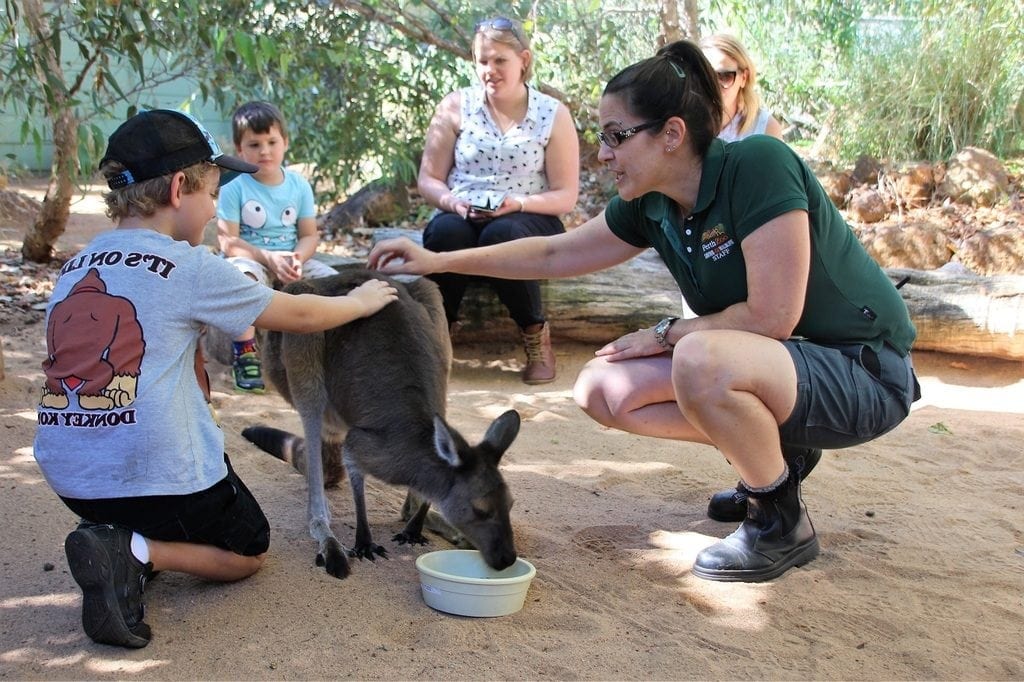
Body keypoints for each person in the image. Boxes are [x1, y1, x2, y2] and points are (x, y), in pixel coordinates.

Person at [369, 40, 919, 583]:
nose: (603, 154)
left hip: (864, 373)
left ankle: (779, 519)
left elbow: (773, 317)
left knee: (699, 358)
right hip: (786, 371)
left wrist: (667, 333)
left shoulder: (758, 163)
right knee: (602, 388)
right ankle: (775, 456)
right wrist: (438, 258)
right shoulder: (650, 202)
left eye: (616, 136)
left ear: (672, 134)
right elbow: (554, 251)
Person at [35, 109, 398, 648]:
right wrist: (359, 299)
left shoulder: (75, 267)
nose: (213, 206)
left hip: (73, 478)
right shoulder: (189, 266)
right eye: (212, 191)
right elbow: (297, 316)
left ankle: (116, 539)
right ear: (179, 188)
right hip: (155, 476)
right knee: (248, 551)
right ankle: (136, 551)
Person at [417, 16, 579, 384]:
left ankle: (536, 335)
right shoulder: (456, 106)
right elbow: (428, 179)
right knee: (446, 235)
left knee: (501, 236)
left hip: (528, 214)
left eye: (499, 60)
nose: (489, 70)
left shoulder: (552, 114)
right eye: (482, 61)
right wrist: (454, 204)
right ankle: (438, 338)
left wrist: (518, 203)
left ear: (523, 59)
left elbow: (565, 196)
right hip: (463, 209)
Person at [216, 101, 337, 394]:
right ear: (239, 148)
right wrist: (268, 258)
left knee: (334, 282)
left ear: (285, 142)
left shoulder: (299, 186)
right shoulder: (235, 186)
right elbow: (227, 241)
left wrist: (296, 257)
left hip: (290, 257)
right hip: (251, 258)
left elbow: (309, 235)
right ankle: (245, 353)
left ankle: (334, 353)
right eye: (254, 144)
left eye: (272, 142)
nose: (265, 151)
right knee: (242, 279)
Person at [700, 33, 783, 141]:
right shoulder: (683, 127)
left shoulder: (764, 129)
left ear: (744, 78)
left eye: (725, 76)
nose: (714, 85)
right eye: (705, 76)